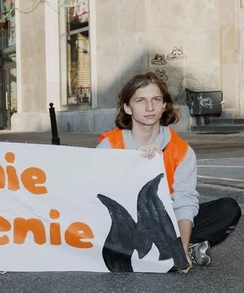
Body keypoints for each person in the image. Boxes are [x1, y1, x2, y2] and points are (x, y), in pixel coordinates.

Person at [97, 71, 241, 271]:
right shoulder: (110, 145)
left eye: (156, 99)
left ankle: (185, 247)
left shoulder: (181, 151)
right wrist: (130, 162)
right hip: (124, 223)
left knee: (228, 208)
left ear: (164, 105)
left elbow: (184, 201)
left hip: (166, 222)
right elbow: (95, 195)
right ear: (128, 108)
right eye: (140, 100)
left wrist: (179, 252)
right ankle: (159, 252)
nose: (149, 107)